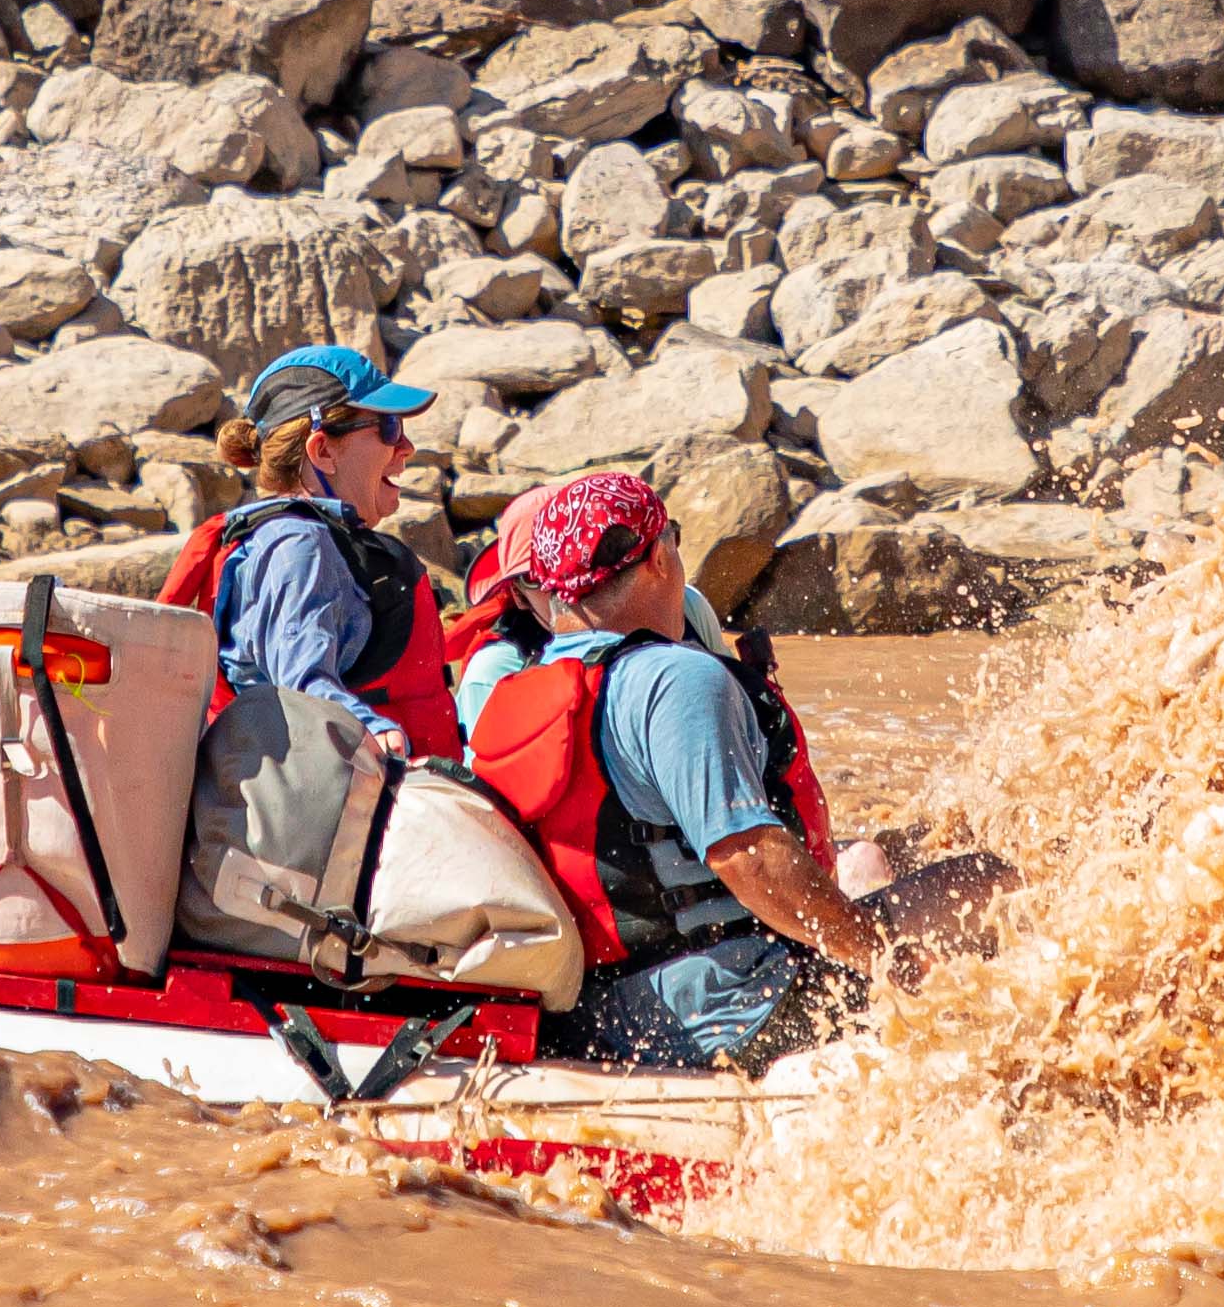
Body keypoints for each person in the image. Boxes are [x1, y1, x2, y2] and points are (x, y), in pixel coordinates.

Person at [461, 464, 894, 1071]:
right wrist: (886, 964)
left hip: (604, 1012)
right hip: (729, 1003)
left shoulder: (513, 688)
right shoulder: (674, 678)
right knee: (984, 882)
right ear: (659, 558)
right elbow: (750, 860)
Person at [161, 344, 463, 763]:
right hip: (327, 813)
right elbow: (300, 685)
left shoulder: (305, 539)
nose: (406, 447)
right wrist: (375, 729)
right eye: (389, 428)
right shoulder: (297, 546)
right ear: (323, 451)